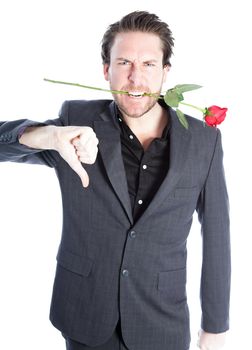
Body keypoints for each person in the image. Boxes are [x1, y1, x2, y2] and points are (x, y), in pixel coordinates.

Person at [0, 11, 230, 350]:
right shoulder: (75, 123)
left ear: (166, 73)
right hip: (85, 315)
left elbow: (217, 234)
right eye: (124, 62)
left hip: (161, 322)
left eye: (148, 64)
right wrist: (47, 135)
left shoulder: (203, 141)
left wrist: (216, 324)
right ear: (106, 70)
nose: (135, 78)